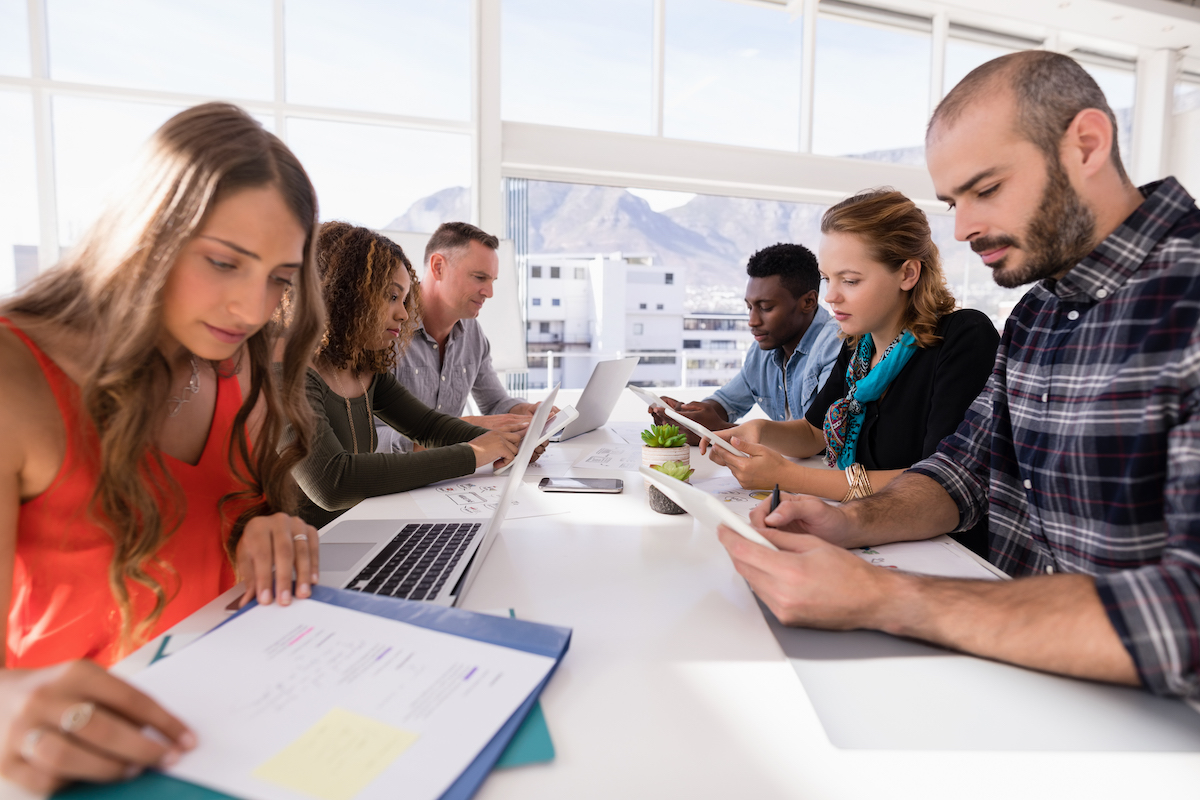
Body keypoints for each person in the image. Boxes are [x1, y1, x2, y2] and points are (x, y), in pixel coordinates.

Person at [716, 50, 1200, 699]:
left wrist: (889, 597)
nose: (964, 226)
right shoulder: (1036, 313)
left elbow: (1188, 610)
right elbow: (960, 474)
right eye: (953, 200)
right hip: (1022, 674)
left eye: (987, 188)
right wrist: (848, 523)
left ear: (1087, 144)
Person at [0, 103, 325, 792]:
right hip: (76, 766)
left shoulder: (237, 370)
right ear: (145, 234)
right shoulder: (15, 376)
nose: (254, 309)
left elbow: (208, 526)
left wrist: (262, 527)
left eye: (280, 279)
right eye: (223, 262)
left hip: (232, 733)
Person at [703, 190, 999, 556]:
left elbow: (940, 481)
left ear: (907, 273)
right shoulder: (858, 345)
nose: (831, 297)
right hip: (869, 536)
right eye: (828, 279)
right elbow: (814, 433)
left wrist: (789, 477)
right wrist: (759, 432)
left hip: (946, 551)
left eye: (851, 280)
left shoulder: (963, 337)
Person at [293, 222, 524, 529]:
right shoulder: (290, 373)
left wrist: (506, 441)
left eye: (404, 300)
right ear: (346, 294)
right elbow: (334, 482)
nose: (403, 314)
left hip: (359, 530)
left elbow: (428, 426)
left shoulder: (363, 367)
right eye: (391, 297)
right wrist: (474, 453)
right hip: (304, 555)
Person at [377, 221, 545, 454]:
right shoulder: (386, 328)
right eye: (479, 277)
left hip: (449, 478)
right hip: (396, 481)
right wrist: (459, 431)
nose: (489, 292)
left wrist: (524, 415)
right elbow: (366, 436)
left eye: (492, 281)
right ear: (438, 267)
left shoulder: (472, 333)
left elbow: (495, 403)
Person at [650, 243, 842, 445]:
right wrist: (686, 415)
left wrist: (718, 431)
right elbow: (726, 402)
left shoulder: (836, 346)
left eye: (765, 307)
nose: (752, 321)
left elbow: (820, 439)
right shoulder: (764, 349)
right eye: (749, 307)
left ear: (808, 302)